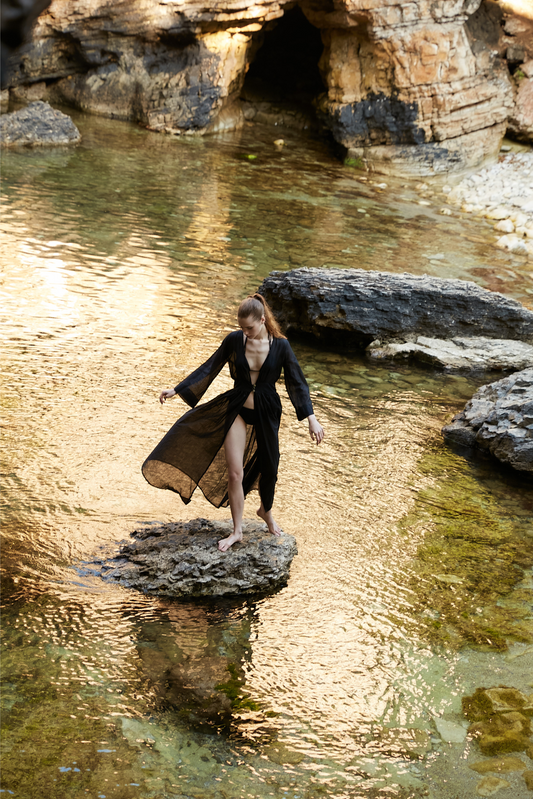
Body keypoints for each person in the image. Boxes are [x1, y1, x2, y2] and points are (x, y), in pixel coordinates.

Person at [142, 294, 324, 551]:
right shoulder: (234, 340)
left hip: (267, 411)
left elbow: (298, 383)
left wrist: (311, 420)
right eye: (242, 328)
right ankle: (237, 530)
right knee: (235, 472)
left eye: (249, 327)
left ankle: (265, 511)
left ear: (262, 320)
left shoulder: (281, 346)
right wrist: (178, 390)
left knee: (270, 469)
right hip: (237, 407)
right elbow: (210, 366)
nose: (245, 333)